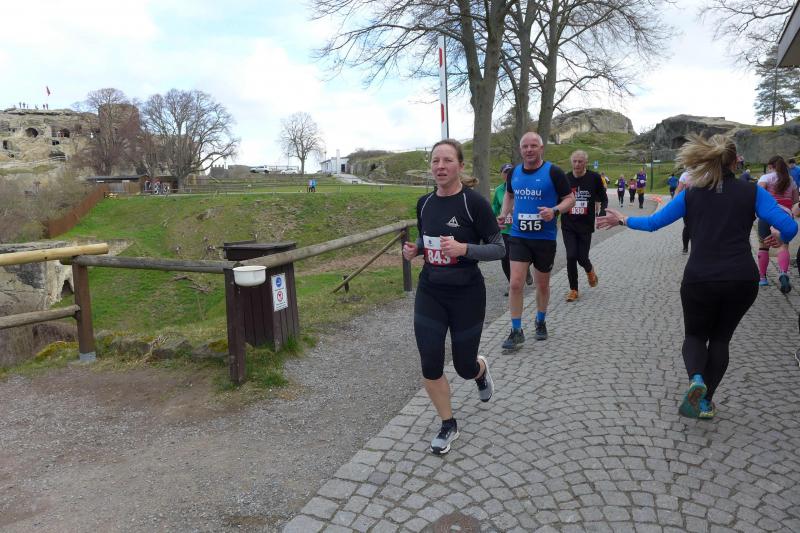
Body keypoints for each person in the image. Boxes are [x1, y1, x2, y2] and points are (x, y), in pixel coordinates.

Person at [597, 134, 797, 419]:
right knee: (721, 340)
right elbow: (789, 227)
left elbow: (654, 223)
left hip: (700, 277)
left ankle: (696, 379)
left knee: (695, 335)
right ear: (735, 161)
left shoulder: (691, 193)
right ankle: (705, 402)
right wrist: (779, 237)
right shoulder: (753, 192)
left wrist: (623, 219)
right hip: (742, 278)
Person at [402, 139, 504, 455]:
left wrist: (465, 249)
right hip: (431, 290)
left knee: (463, 366)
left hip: (467, 294)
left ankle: (480, 371)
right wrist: (416, 249)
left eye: (447, 160)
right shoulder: (424, 203)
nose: (440, 166)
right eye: (435, 161)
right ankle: (448, 423)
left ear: (460, 165)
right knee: (430, 362)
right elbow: (427, 237)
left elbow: (499, 248)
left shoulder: (474, 204)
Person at [497, 132, 575, 349]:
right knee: (515, 283)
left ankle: (540, 321)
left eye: (533, 146)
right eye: (525, 146)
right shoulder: (514, 173)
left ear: (541, 148)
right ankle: (516, 330)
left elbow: (570, 199)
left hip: (544, 238)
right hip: (519, 236)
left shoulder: (554, 172)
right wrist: (504, 213)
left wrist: (554, 210)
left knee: (542, 284)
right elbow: (509, 194)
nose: (529, 150)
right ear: (520, 150)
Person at [561, 150, 604, 302]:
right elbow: (557, 200)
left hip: (585, 224)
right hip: (568, 224)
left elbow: (603, 197)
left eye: (580, 161)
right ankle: (574, 289)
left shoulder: (594, 178)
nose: (577, 164)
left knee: (582, 258)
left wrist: (602, 212)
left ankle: (590, 270)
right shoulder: (565, 179)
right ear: (571, 162)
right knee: (571, 256)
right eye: (575, 161)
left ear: (586, 162)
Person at [756, 155, 798, 292]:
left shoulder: (765, 178)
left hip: (768, 214)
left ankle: (762, 278)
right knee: (783, 245)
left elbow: (758, 196)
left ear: (770, 166)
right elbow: (795, 200)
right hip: (785, 216)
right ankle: (783, 273)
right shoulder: (790, 180)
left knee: (763, 246)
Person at [491, 164, 533, 296]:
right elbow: (495, 207)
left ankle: (525, 268)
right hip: (505, 230)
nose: (508, 174)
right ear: (502, 175)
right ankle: (513, 285)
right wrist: (494, 218)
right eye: (506, 172)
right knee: (505, 257)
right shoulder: (499, 190)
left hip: (522, 228)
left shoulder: (523, 187)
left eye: (511, 172)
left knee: (527, 255)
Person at [675, 170, 693, 253]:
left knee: (694, 226)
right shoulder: (685, 175)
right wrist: (675, 202)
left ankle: (692, 248)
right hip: (688, 203)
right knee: (688, 226)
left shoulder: (705, 172)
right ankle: (685, 247)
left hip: (700, 203)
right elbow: (679, 190)